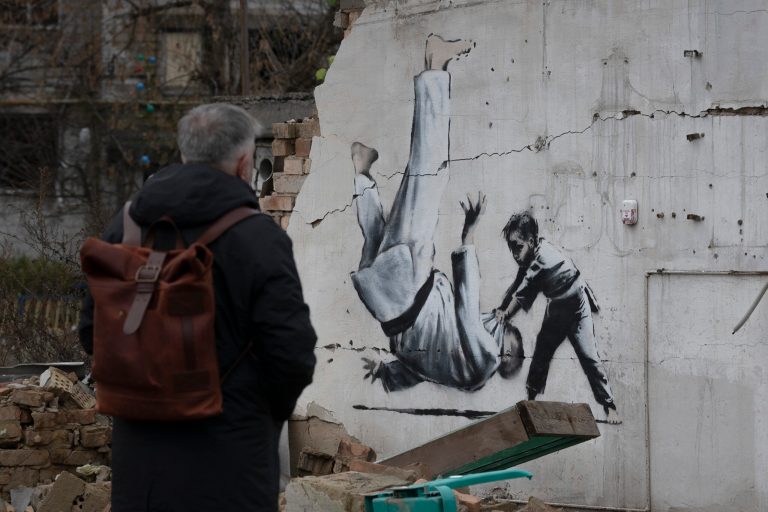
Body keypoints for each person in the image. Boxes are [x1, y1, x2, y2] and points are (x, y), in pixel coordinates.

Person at [78, 103, 317, 511]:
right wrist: (255, 417)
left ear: (184, 154)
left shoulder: (127, 225)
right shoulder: (258, 237)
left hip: (142, 468)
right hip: (231, 466)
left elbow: (90, 332)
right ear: (244, 163)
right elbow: (292, 355)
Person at [353, 35, 523, 392]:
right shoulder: (456, 368)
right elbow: (414, 370)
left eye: (506, 335)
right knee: (376, 235)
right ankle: (361, 172)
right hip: (383, 305)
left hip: (409, 288)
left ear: (507, 354)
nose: (498, 322)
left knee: (429, 173)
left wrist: (468, 236)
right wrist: (384, 375)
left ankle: (435, 66)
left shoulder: (487, 359)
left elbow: (466, 309)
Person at [496, 212, 621, 424]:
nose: (515, 254)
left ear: (532, 241)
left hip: (577, 306)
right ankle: (531, 401)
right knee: (541, 354)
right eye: (511, 248)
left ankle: (610, 406)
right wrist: (501, 306)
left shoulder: (541, 260)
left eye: (518, 247)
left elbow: (523, 291)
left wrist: (506, 313)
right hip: (557, 308)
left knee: (589, 356)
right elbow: (518, 284)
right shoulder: (535, 253)